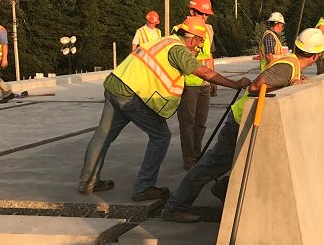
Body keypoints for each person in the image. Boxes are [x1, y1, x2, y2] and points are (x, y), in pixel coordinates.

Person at [161, 28, 324, 222]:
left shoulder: (292, 65)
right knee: (211, 166)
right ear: (316, 55)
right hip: (241, 121)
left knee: (255, 162)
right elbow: (256, 86)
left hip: (248, 120)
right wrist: (290, 85)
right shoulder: (288, 67)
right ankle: (175, 207)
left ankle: (223, 188)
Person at [78, 16, 250, 200]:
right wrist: (234, 84)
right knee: (161, 136)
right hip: (132, 95)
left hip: (115, 85)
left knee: (103, 137)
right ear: (192, 38)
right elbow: (203, 71)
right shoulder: (178, 50)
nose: (199, 46)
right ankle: (144, 187)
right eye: (199, 41)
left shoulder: (164, 40)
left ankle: (87, 182)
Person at [175, 0, 217, 171]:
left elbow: (209, 55)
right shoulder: (179, 30)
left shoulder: (208, 30)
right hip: (188, 84)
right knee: (188, 123)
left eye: (207, 14)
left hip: (204, 83)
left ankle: (197, 154)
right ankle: (189, 159)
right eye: (201, 13)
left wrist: (214, 79)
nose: (204, 17)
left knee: (200, 122)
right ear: (192, 11)